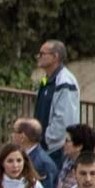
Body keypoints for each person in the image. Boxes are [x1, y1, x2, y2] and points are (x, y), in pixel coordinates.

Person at [33, 39, 80, 171]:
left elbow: (63, 119)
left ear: (55, 57)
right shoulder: (46, 79)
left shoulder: (65, 82)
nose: (39, 57)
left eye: (42, 54)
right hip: (44, 146)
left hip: (55, 149)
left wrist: (47, 140)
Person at [55, 123, 95, 188]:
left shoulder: (92, 174)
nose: (63, 144)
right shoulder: (67, 164)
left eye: (67, 141)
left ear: (79, 146)